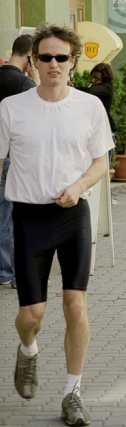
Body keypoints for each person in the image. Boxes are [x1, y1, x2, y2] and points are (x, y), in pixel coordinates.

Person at [0, 23, 112, 427]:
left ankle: (72, 394)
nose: (52, 64)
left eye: (61, 57)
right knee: (32, 314)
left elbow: (101, 161)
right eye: (44, 57)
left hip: (72, 216)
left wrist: (79, 185)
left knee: (75, 305)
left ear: (73, 63)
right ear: (32, 61)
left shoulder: (89, 107)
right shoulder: (11, 108)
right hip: (28, 217)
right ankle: (28, 351)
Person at [0, 36, 39, 289]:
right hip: (13, 157)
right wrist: (35, 79)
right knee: (12, 218)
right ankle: (9, 272)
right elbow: (40, 114)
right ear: (28, 57)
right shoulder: (24, 83)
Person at [77, 63, 117, 136]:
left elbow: (89, 91)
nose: (92, 80)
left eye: (97, 79)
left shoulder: (108, 87)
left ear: (105, 80)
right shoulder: (95, 87)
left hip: (104, 132)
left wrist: (70, 89)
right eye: (92, 76)